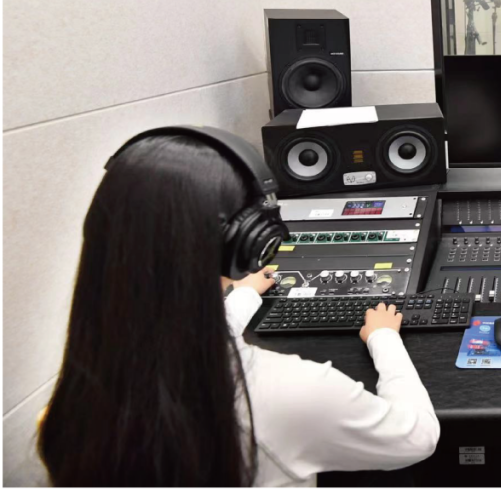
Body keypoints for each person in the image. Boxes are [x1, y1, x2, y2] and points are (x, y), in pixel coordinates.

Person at [38, 130, 439, 489]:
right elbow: (417, 437)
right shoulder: (293, 393)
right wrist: (385, 339)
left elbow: (183, 334)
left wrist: (244, 295)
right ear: (248, 242)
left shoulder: (72, 405)